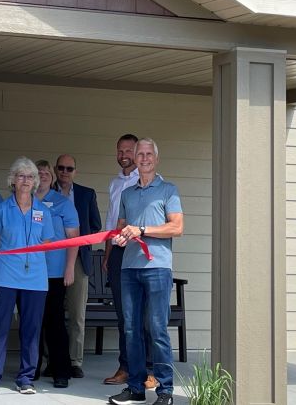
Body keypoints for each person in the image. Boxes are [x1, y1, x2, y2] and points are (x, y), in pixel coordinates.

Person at [108, 139, 183, 405]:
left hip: (157, 268)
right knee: (131, 330)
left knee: (157, 329)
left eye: (149, 153)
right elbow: (122, 228)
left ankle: (165, 391)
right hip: (129, 268)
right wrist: (121, 238)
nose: (144, 158)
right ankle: (136, 389)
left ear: (156, 158)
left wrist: (142, 230)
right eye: (140, 154)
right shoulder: (128, 194)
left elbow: (176, 227)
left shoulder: (168, 190)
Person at [0, 158, 52, 395]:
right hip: (5, 275)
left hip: (36, 278)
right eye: (21, 176)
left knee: (31, 329)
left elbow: (47, 243)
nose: (25, 180)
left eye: (30, 177)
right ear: (12, 180)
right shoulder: (1, 209)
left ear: (35, 182)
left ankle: (26, 378)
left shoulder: (44, 211)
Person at [103, 134, 155, 389]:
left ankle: (149, 370)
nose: (124, 154)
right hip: (117, 252)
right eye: (120, 150)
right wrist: (107, 256)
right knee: (124, 315)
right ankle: (126, 367)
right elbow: (112, 222)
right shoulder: (114, 184)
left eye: (128, 150)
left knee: (143, 314)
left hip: (140, 250)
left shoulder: (149, 181)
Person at [55, 154, 101, 378]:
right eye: (61, 168)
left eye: (69, 168)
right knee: (50, 312)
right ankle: (50, 359)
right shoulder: (46, 191)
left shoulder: (86, 194)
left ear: (75, 171)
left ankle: (74, 360)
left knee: (76, 313)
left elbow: (95, 225)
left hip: (79, 260)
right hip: (51, 260)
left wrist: (77, 239)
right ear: (55, 169)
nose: (65, 172)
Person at [34, 159, 78, 388]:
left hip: (54, 271)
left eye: (46, 173)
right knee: (32, 322)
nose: (42, 175)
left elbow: (74, 239)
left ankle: (61, 370)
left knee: (55, 322)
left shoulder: (62, 203)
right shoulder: (24, 201)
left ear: (52, 178)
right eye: (38, 172)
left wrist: (70, 267)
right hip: (28, 273)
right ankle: (32, 368)